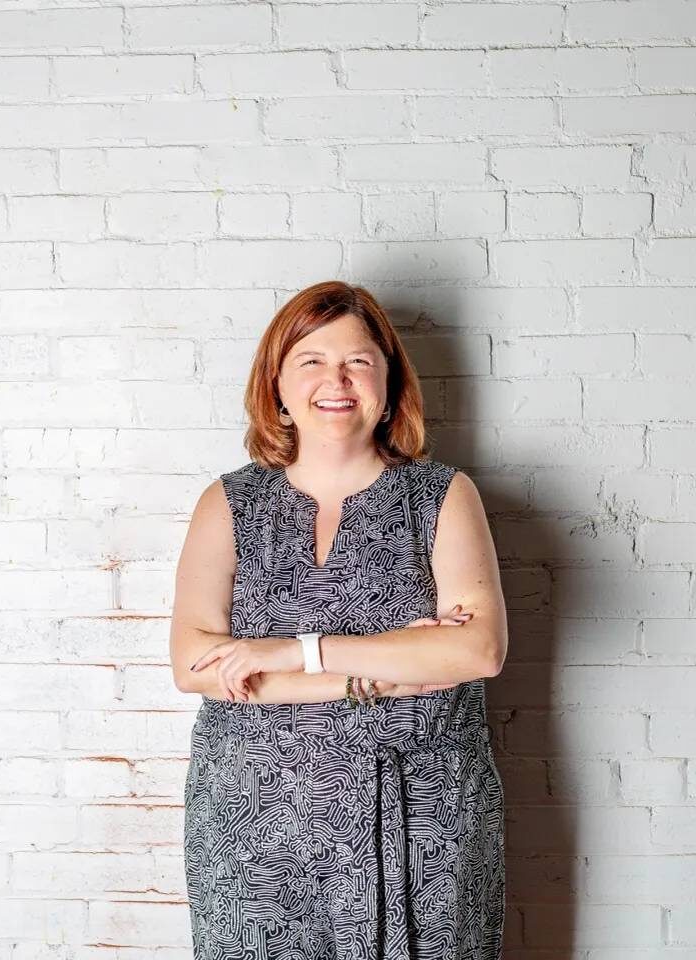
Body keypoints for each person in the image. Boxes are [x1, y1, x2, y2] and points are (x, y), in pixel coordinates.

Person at [171, 280, 508, 960]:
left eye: (358, 361)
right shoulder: (228, 504)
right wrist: (381, 675)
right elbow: (195, 666)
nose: (337, 380)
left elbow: (478, 651)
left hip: (422, 818)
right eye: (312, 361)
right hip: (257, 823)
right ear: (278, 385)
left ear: (388, 381)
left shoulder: (441, 495)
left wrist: (296, 653)